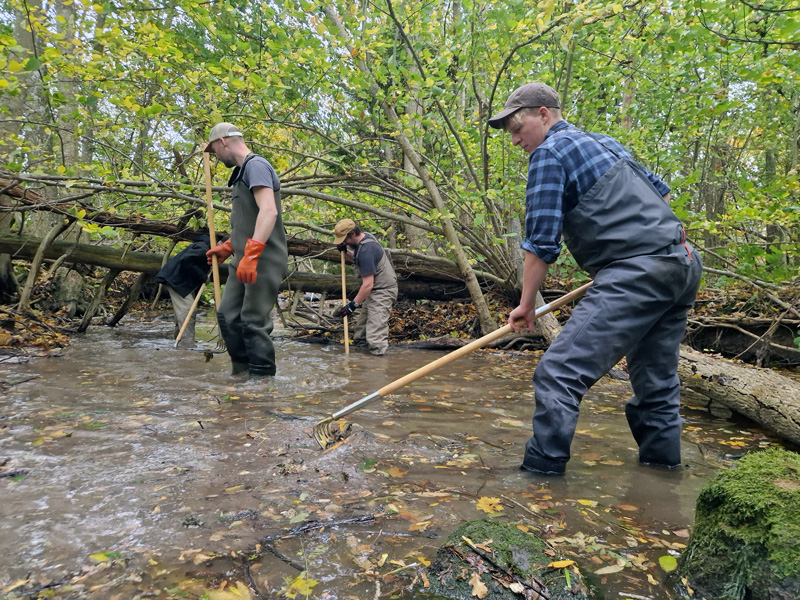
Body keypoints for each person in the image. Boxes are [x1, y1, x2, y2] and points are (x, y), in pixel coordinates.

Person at [488, 82, 702, 475]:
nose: (515, 139)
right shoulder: (605, 143)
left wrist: (526, 304)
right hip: (681, 262)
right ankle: (661, 480)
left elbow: (540, 242)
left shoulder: (549, 153)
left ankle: (540, 482)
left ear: (543, 114)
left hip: (638, 272)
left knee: (557, 373)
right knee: (656, 384)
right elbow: (661, 198)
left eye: (517, 127)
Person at [204, 123, 288, 377]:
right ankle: (241, 376)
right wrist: (229, 247)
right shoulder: (242, 172)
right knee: (228, 316)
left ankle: (262, 383)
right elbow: (249, 221)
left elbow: (269, 210)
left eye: (213, 150)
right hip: (244, 257)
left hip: (262, 259)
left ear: (223, 141)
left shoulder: (256, 165)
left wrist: (251, 255)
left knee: (253, 322)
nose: (215, 157)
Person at [334, 219, 398, 356]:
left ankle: (377, 366)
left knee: (375, 336)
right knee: (361, 332)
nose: (343, 242)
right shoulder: (363, 240)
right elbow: (358, 259)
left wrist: (353, 305)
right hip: (373, 291)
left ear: (352, 234)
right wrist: (345, 251)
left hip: (383, 291)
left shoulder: (367, 250)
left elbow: (368, 284)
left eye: (344, 240)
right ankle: (361, 360)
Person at [155, 233, 215, 347]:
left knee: (184, 311)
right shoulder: (203, 248)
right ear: (219, 244)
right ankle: (187, 343)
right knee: (187, 310)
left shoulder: (204, 247)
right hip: (177, 281)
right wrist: (203, 276)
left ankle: (180, 340)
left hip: (181, 282)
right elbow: (185, 260)